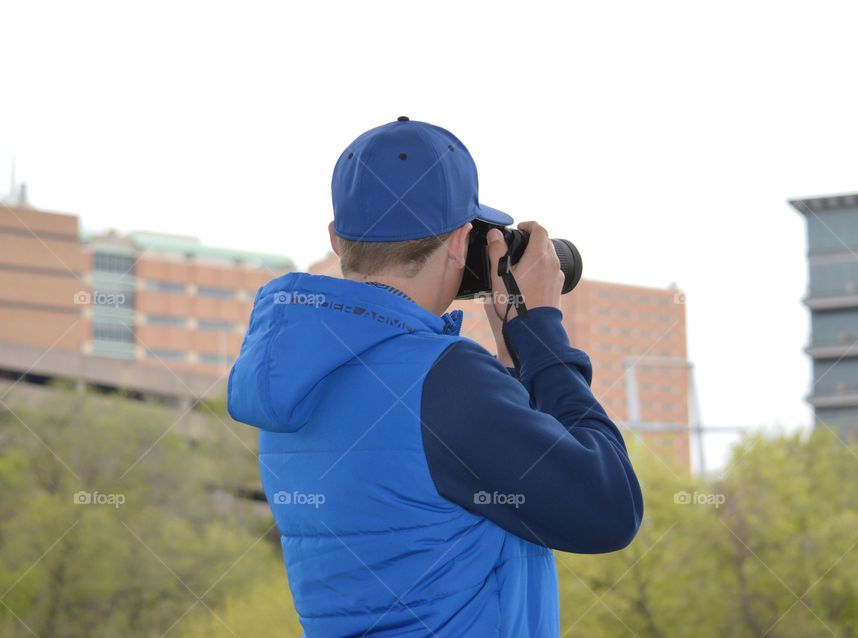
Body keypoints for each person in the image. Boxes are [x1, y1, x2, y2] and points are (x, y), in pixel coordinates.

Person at [228, 117, 643, 637]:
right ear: (460, 242)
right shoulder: (445, 379)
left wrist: (512, 365)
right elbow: (609, 509)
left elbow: (448, 494)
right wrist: (542, 339)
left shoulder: (295, 378)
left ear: (337, 239)